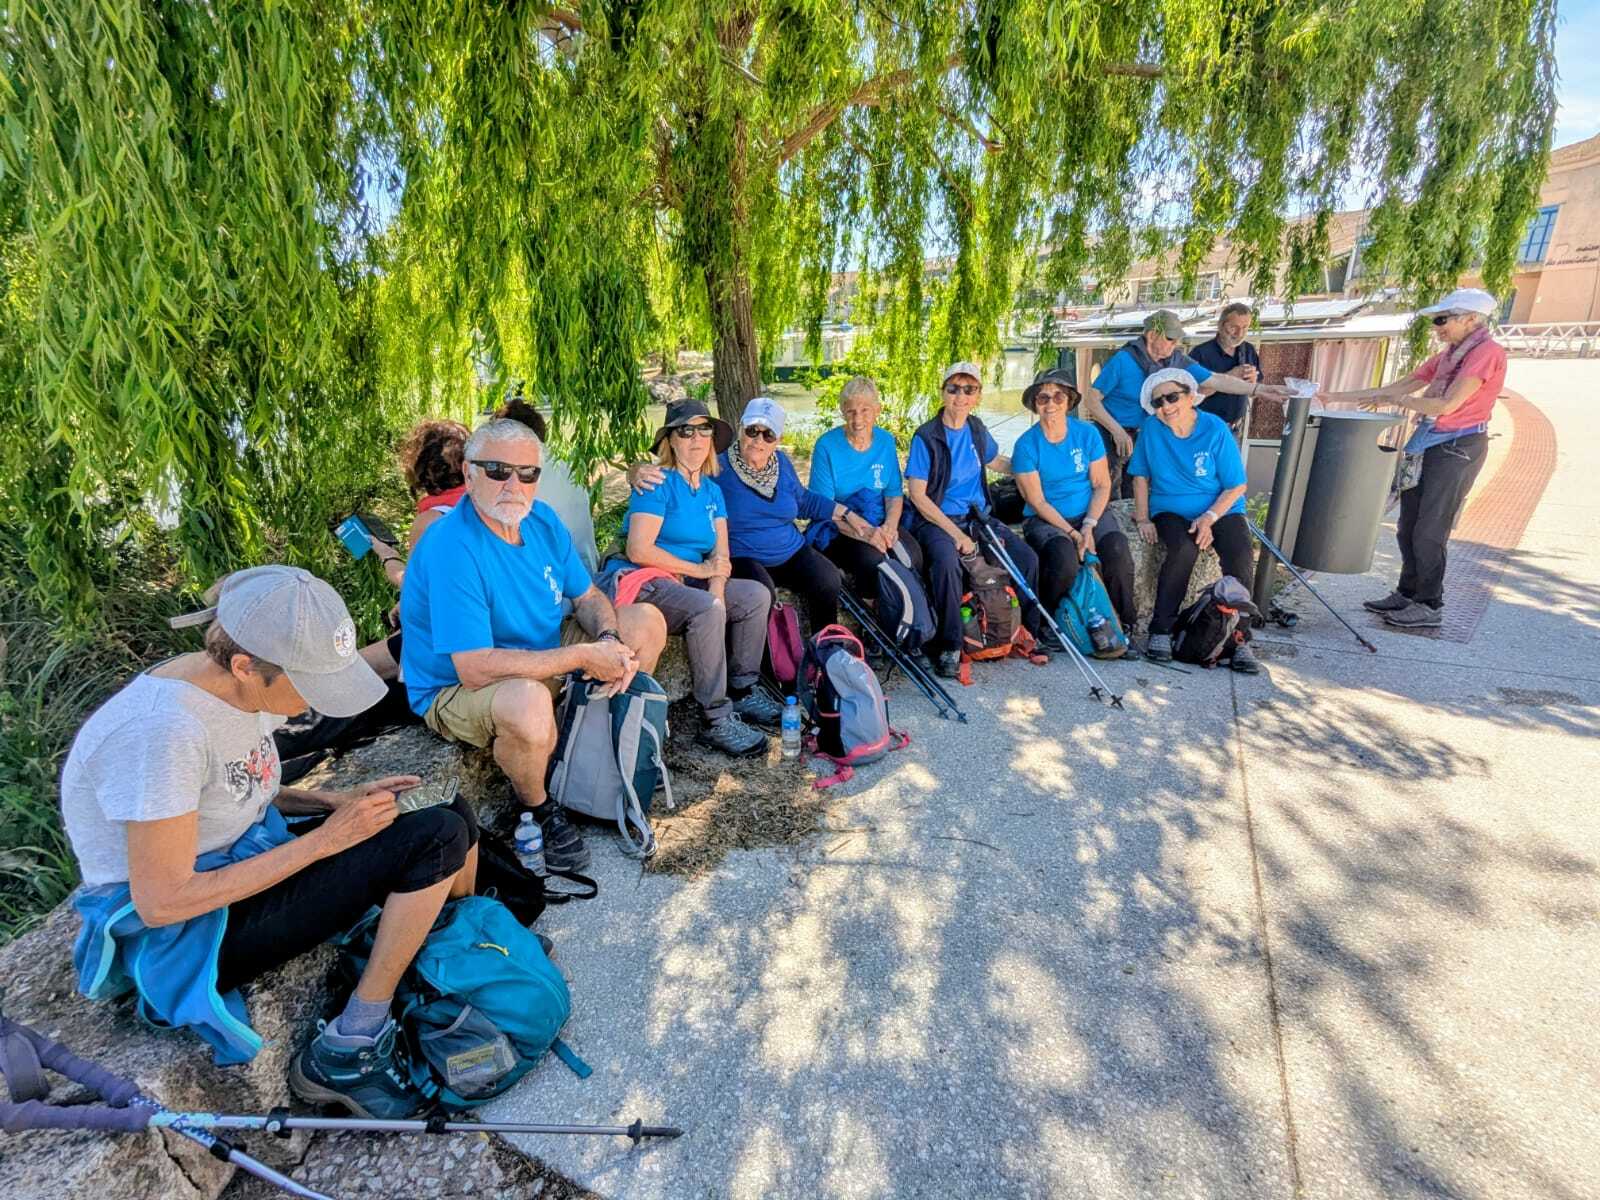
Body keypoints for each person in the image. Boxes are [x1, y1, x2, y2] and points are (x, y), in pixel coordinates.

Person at [61, 566, 476, 1119]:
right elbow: (162, 901)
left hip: (241, 860)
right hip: (188, 932)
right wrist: (325, 841)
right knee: (435, 838)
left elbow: (239, 786)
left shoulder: (234, 688)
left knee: (448, 810)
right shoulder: (162, 734)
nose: (312, 704)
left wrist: (331, 800)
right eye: (307, 685)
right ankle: (351, 1044)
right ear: (244, 665)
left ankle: (451, 952)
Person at [400, 418, 668, 870]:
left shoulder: (541, 520)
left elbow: (587, 596)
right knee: (528, 703)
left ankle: (603, 751)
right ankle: (539, 808)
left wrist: (607, 640)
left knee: (645, 622)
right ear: (468, 473)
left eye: (528, 473)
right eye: (498, 471)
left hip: (538, 651)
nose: (514, 485)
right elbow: (473, 667)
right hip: (457, 686)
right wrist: (581, 655)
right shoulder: (451, 546)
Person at [1319, 287, 1506, 630]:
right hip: (1428, 440)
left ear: (1471, 319)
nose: (1437, 327)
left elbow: (1446, 405)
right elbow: (1401, 385)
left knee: (1431, 528)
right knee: (1408, 525)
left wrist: (1399, 402)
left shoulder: (1486, 353)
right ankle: (1408, 592)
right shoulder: (1449, 355)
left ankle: (1429, 603)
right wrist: (1332, 396)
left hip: (1457, 445)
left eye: (1443, 319)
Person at [609, 400, 776, 757]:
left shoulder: (712, 491)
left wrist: (717, 590)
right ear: (671, 440)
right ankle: (716, 719)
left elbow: (721, 556)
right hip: (650, 580)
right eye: (686, 431)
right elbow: (639, 549)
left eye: (704, 430)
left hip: (688, 582)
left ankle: (744, 689)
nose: (697, 438)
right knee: (705, 608)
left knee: (755, 596)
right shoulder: (656, 482)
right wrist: (703, 577)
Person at [906, 361, 1052, 679]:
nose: (961, 396)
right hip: (937, 520)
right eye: (954, 389)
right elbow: (917, 495)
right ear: (943, 392)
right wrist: (956, 535)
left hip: (976, 517)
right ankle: (949, 644)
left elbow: (996, 461)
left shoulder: (976, 428)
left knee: (1025, 559)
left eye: (969, 389)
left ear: (977, 396)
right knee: (946, 564)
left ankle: (1027, 631)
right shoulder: (927, 436)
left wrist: (1031, 468)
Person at [1127, 369, 1260, 673]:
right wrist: (1143, 518)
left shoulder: (1214, 428)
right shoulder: (1151, 429)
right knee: (1182, 550)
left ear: (1190, 397)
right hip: (1170, 507)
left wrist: (1209, 518)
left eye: (1172, 397)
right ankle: (1161, 630)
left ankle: (1240, 638)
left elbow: (1236, 485)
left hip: (1220, 507)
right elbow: (1140, 476)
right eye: (1158, 402)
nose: (1166, 406)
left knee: (1240, 553)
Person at [1082, 309, 1281, 497]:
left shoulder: (1176, 361)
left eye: (1177, 339)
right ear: (1152, 335)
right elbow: (1091, 399)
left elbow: (1215, 380)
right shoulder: (1124, 359)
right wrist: (1117, 431)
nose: (1175, 344)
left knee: (1139, 488)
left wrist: (1259, 389)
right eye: (1170, 338)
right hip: (1111, 433)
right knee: (1107, 488)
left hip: (1147, 433)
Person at [1010, 368, 1139, 652]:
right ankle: (1049, 623)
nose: (1051, 403)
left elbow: (1102, 485)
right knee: (1063, 558)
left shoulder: (1087, 434)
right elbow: (1037, 501)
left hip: (1090, 511)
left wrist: (1089, 525)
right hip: (1046, 518)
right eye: (1043, 398)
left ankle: (1125, 623)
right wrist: (1074, 533)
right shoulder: (1026, 445)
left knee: (1117, 549)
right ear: (1035, 404)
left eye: (1058, 396)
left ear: (1069, 401)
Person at [715, 396, 871, 631]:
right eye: (752, 431)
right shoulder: (717, 468)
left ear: (778, 439)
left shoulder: (781, 463)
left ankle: (825, 643)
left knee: (828, 578)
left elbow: (803, 500)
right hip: (743, 556)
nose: (758, 440)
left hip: (790, 550)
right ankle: (767, 655)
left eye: (768, 435)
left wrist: (846, 512)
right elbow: (681, 479)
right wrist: (647, 474)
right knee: (762, 594)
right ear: (740, 428)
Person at [807, 375, 925, 596]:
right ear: (842, 411)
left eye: (865, 410)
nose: (858, 419)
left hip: (878, 517)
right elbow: (824, 507)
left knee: (913, 555)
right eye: (851, 411)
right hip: (839, 526)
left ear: (877, 410)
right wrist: (866, 534)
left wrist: (889, 526)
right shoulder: (826, 446)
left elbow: (893, 494)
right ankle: (871, 610)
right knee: (874, 561)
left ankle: (905, 611)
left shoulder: (885, 441)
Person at [1188, 302, 1264, 431]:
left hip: (1235, 428)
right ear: (1220, 325)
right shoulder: (1200, 353)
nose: (1239, 333)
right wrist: (1230, 376)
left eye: (1245, 328)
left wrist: (1253, 384)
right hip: (1205, 429)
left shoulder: (1249, 350)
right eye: (1234, 327)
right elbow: (1191, 395)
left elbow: (1255, 393)